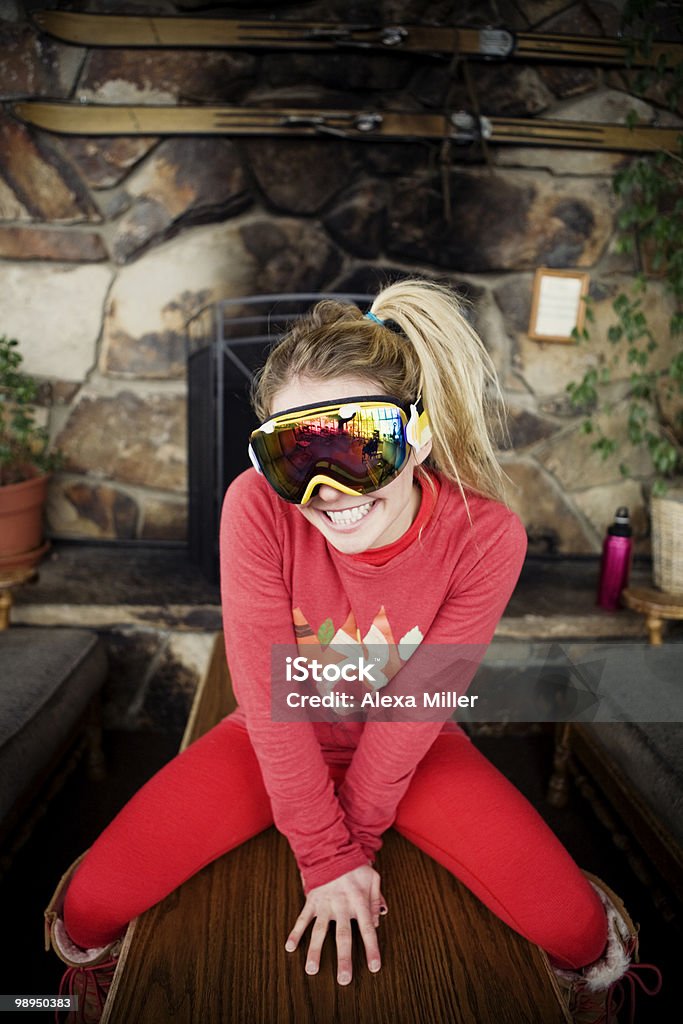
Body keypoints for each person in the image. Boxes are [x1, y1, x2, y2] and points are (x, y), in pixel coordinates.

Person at [45, 280, 661, 1023]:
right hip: (273, 734)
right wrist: (324, 853)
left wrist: (350, 843)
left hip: (415, 742)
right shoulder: (255, 507)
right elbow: (268, 701)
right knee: (88, 911)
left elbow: (416, 705)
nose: (330, 492)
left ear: (420, 434)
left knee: (579, 935)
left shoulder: (488, 536)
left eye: (358, 449)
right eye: (296, 459)